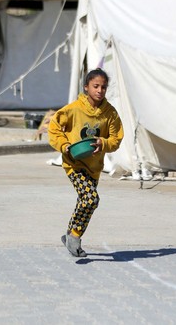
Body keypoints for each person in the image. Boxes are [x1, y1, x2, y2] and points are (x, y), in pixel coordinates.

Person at [48, 68, 124, 257]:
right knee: (92, 199)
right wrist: (64, 145)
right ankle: (75, 236)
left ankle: (68, 236)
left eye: (103, 87)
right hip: (74, 163)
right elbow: (54, 127)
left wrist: (104, 143)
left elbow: (116, 138)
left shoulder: (110, 113)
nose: (100, 90)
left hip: (94, 167)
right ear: (86, 87)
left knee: (85, 201)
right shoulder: (74, 109)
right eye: (95, 86)